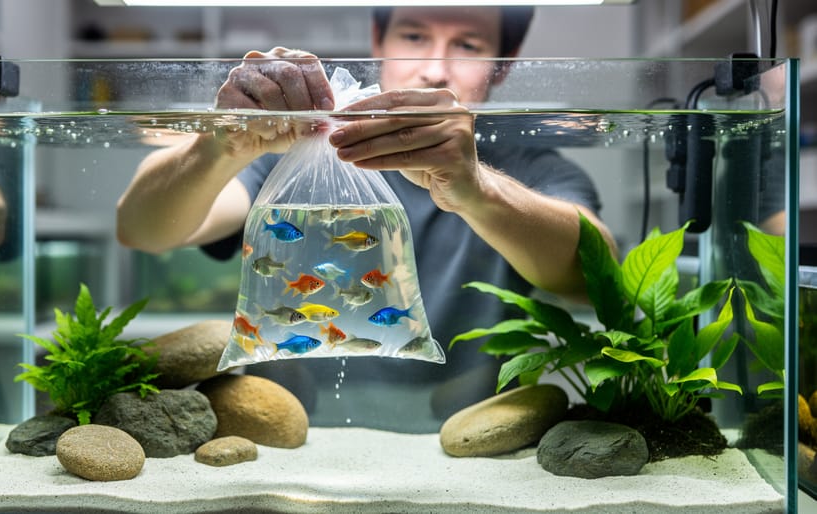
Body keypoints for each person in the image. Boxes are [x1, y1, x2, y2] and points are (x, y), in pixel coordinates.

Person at [117, 6, 616, 432]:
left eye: (467, 44)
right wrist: (221, 144)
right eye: (414, 36)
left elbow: (596, 278)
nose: (434, 69)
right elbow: (143, 229)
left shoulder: (526, 166)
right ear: (379, 41)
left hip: (466, 439)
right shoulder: (294, 150)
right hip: (285, 434)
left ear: (500, 67)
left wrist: (477, 188)